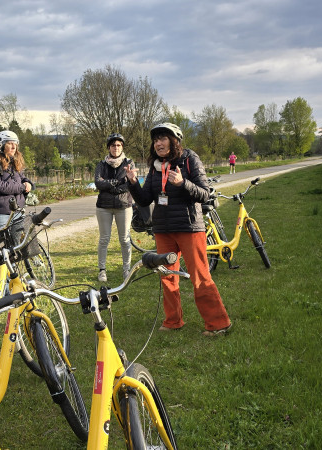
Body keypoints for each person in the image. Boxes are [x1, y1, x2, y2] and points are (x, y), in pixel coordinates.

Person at [127, 122, 232, 337]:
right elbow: (146, 199)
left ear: (175, 141)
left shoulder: (189, 159)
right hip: (163, 229)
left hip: (189, 228)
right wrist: (132, 184)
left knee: (199, 277)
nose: (158, 143)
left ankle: (218, 323)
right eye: (155, 140)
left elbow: (205, 193)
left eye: (163, 138)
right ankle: (173, 320)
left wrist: (183, 183)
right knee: (166, 276)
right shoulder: (155, 166)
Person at [94, 133, 134, 282]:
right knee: (104, 239)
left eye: (118, 145)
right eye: (113, 145)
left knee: (124, 239)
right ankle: (102, 270)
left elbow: (129, 184)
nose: (115, 148)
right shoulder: (101, 165)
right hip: (103, 207)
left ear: (122, 147)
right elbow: (98, 183)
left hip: (124, 206)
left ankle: (126, 269)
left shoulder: (129, 163)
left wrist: (110, 184)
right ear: (109, 147)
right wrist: (118, 182)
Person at [0, 130, 35, 231]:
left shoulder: (13, 162)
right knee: (3, 246)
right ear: (0, 145)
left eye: (15, 144)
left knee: (21, 245)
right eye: (10, 143)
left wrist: (28, 183)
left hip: (17, 212)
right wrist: (22, 187)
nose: (14, 147)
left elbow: (22, 178)